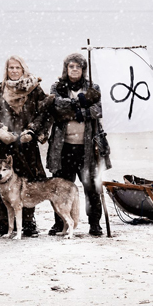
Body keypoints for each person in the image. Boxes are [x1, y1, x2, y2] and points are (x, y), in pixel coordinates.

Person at [0, 55, 50, 237]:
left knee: (28, 183)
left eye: (18, 68)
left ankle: (28, 222)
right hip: (4, 145)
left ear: (23, 69)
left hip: (27, 145)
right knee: (2, 182)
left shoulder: (35, 90)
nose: (14, 71)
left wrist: (32, 131)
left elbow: (45, 113)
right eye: (11, 67)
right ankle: (3, 223)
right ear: (6, 70)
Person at [46, 53, 104, 236]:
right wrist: (79, 103)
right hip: (62, 147)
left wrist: (81, 113)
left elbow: (97, 110)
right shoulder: (57, 87)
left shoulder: (93, 87)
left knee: (91, 188)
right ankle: (60, 223)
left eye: (78, 67)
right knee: (61, 188)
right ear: (66, 68)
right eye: (71, 66)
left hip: (87, 148)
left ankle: (95, 224)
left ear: (83, 69)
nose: (75, 69)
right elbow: (56, 107)